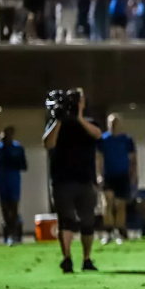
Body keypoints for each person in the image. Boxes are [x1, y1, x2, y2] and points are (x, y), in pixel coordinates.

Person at [43, 89, 103, 273]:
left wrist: (78, 118)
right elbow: (48, 143)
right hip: (62, 179)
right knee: (66, 220)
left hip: (85, 179)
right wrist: (59, 119)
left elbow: (97, 134)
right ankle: (67, 258)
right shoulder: (57, 124)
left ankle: (86, 259)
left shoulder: (88, 123)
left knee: (87, 221)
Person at [97, 114, 137, 245]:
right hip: (108, 175)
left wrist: (133, 175)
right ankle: (108, 232)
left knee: (120, 205)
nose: (114, 125)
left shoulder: (127, 140)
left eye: (116, 123)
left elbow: (132, 159)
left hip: (122, 175)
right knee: (107, 204)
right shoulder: (103, 140)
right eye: (111, 123)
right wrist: (99, 175)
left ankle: (120, 231)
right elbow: (99, 158)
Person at [0, 127, 27, 246]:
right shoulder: (0, 147)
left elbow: (24, 165)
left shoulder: (18, 148)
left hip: (14, 181)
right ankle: (8, 234)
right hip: (2, 181)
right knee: (5, 209)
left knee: (14, 209)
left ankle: (15, 235)